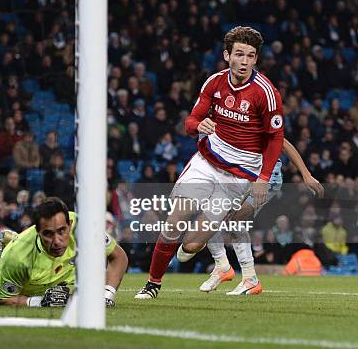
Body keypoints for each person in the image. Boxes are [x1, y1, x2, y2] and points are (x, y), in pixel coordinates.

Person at [135, 26, 284, 299]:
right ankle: (153, 284)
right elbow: (190, 122)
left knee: (190, 247)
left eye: (250, 56)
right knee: (174, 222)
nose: (244, 61)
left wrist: (263, 178)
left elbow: (276, 139)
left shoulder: (266, 92)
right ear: (228, 55)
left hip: (238, 177)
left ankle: (219, 265)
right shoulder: (214, 83)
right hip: (206, 162)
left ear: (256, 59)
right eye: (239, 54)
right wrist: (197, 125)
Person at [191, 138, 324, 295]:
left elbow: (284, 144)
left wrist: (306, 175)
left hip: (266, 179)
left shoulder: (259, 117)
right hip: (242, 174)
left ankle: (237, 273)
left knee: (229, 218)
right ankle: (236, 272)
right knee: (217, 215)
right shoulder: (227, 119)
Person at [0, 197, 128, 307]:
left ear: (70, 225)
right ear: (38, 232)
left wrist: (107, 296)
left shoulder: (83, 227)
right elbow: (1, 299)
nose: (57, 241)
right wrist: (39, 302)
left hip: (66, 270)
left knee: (98, 276)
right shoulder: (17, 258)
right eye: (48, 234)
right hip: (31, 282)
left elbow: (119, 257)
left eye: (62, 231)